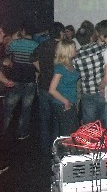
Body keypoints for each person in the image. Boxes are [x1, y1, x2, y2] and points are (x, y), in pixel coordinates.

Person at [30, 21, 64, 153]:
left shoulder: (43, 44)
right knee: (57, 118)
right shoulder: (61, 46)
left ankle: (45, 146)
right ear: (60, 33)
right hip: (58, 87)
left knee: (45, 117)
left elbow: (32, 58)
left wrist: (42, 70)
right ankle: (55, 147)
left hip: (44, 84)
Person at [3, 27, 39, 140]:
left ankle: (2, 130)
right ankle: (22, 133)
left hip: (16, 79)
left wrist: (13, 40)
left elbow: (6, 51)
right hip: (29, 80)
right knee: (26, 108)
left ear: (23, 31)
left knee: (9, 107)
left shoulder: (15, 43)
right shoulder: (36, 45)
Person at [73, 30, 106, 124]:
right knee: (103, 121)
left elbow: (76, 74)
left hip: (87, 91)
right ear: (90, 37)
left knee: (89, 123)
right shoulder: (101, 48)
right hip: (103, 89)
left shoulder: (76, 56)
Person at [49, 39, 80, 136]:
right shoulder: (60, 67)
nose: (76, 49)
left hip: (71, 102)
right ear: (68, 50)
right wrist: (66, 102)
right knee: (67, 134)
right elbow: (52, 90)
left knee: (71, 132)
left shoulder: (71, 64)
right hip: (63, 104)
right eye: (74, 47)